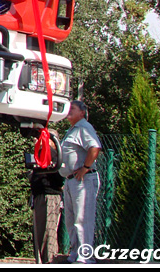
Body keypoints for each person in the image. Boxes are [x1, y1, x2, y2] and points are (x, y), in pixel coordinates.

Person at [58, 100, 102, 264]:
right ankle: (76, 252)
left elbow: (94, 148)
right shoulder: (72, 130)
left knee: (83, 219)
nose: (69, 111)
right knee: (71, 219)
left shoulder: (84, 127)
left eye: (73, 108)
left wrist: (85, 167)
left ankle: (86, 256)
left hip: (83, 180)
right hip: (70, 181)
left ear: (82, 112)